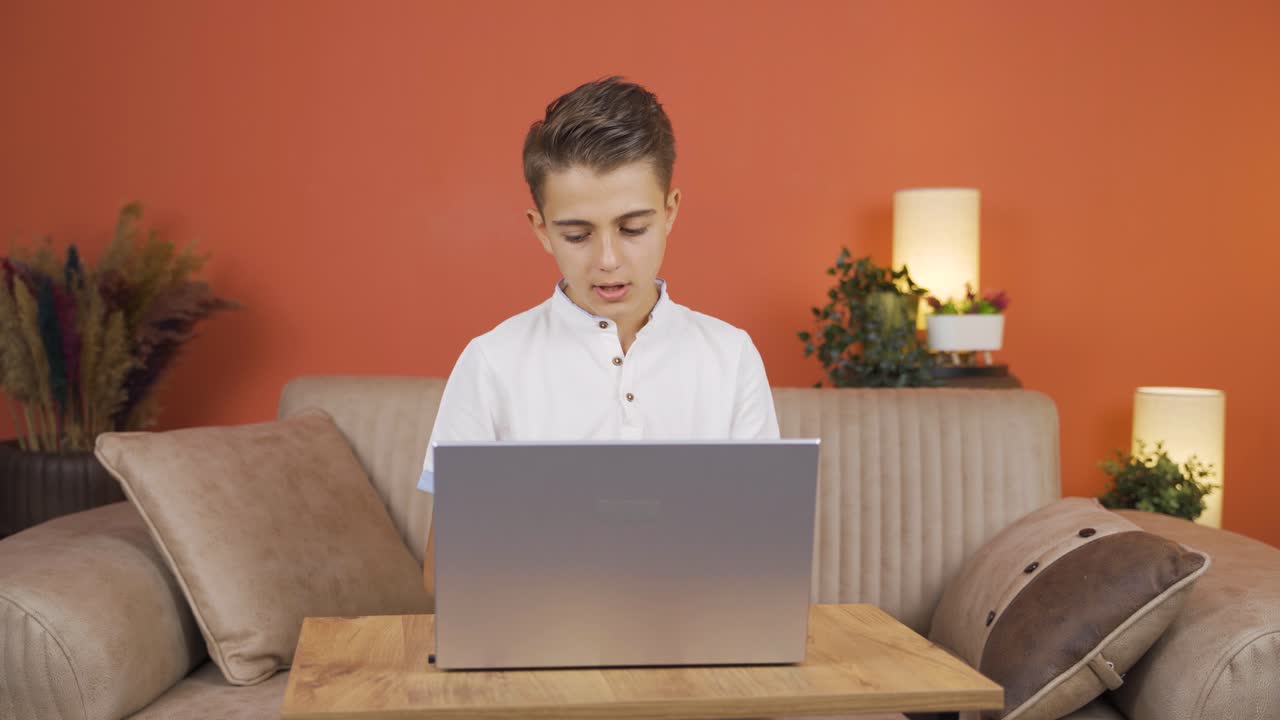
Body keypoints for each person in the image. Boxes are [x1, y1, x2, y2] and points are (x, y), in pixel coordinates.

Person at [418, 75, 780, 593]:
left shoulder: (730, 355)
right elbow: (441, 575)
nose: (608, 261)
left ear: (671, 211)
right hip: (538, 643)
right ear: (541, 229)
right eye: (577, 234)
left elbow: (765, 553)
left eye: (633, 229)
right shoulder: (492, 361)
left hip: (694, 644)